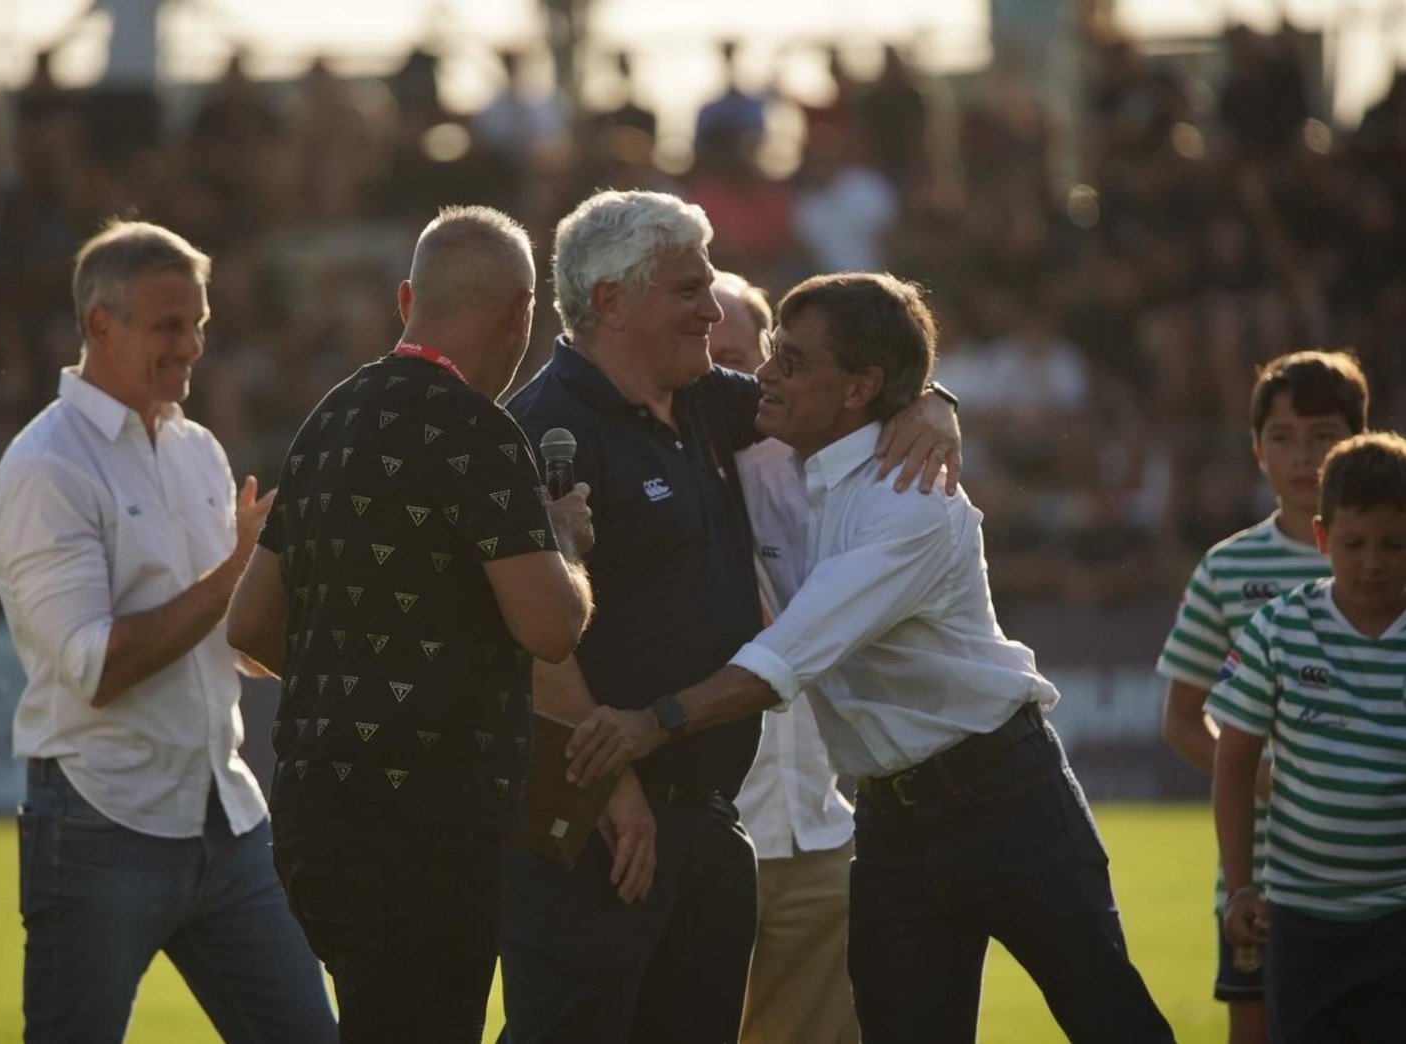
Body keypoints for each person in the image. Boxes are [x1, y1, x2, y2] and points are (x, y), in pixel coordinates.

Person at [565, 271, 1173, 1043]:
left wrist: (655, 723)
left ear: (860, 387)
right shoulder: (752, 463)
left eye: (788, 360)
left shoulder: (911, 494)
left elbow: (785, 658)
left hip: (1006, 798)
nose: (762, 375)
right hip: (888, 822)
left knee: (1110, 1019)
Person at [499, 190, 958, 1043]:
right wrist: (610, 786)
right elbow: (526, 637)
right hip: (600, 825)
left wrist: (931, 401)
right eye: (688, 290)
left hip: (710, 814)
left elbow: (843, 390)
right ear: (609, 301)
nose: (712, 310)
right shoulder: (541, 428)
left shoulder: (707, 398)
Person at [226, 205, 594, 1042]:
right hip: (427, 827)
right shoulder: (481, 432)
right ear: (520, 314)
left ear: (406, 300)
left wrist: (355, 677)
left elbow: (248, 623)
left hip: (314, 815)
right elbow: (550, 629)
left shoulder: (330, 416)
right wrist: (566, 544)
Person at [0, 220, 335, 1043]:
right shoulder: (43, 469)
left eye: (199, 322)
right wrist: (238, 566)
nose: (193, 346)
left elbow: (226, 639)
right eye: (170, 325)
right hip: (102, 821)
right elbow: (96, 667)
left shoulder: (195, 449)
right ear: (100, 325)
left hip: (224, 810)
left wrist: (298, 613)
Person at [1156, 349, 1367, 1044]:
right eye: (1281, 437)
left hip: (1378, 867)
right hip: (1269, 867)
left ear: (1357, 441)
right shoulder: (1228, 565)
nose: (1302, 455)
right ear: (1255, 451)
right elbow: (1184, 719)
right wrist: (1262, 777)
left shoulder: (1387, 553)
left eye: (1322, 435)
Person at [1209, 430, 1406, 1042]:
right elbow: (1234, 760)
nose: (1373, 561)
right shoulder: (1279, 627)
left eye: (1394, 545)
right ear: (1322, 537)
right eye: (1354, 543)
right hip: (1299, 919)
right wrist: (1241, 886)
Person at [712, 272, 859, 1044]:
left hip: (817, 838)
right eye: (704, 360)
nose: (722, 384)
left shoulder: (824, 471)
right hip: (702, 840)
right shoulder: (635, 483)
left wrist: (938, 406)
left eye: (738, 359)